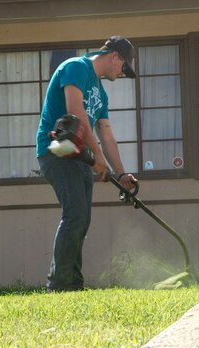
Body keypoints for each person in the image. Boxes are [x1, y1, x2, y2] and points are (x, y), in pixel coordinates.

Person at [37, 36, 137, 292]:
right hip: (57, 152)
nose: (122, 73)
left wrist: (122, 173)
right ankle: (59, 286)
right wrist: (98, 156)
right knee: (75, 215)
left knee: (82, 219)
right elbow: (74, 111)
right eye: (124, 68)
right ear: (115, 56)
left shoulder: (101, 93)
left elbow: (107, 135)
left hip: (79, 157)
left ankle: (73, 283)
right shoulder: (75, 67)